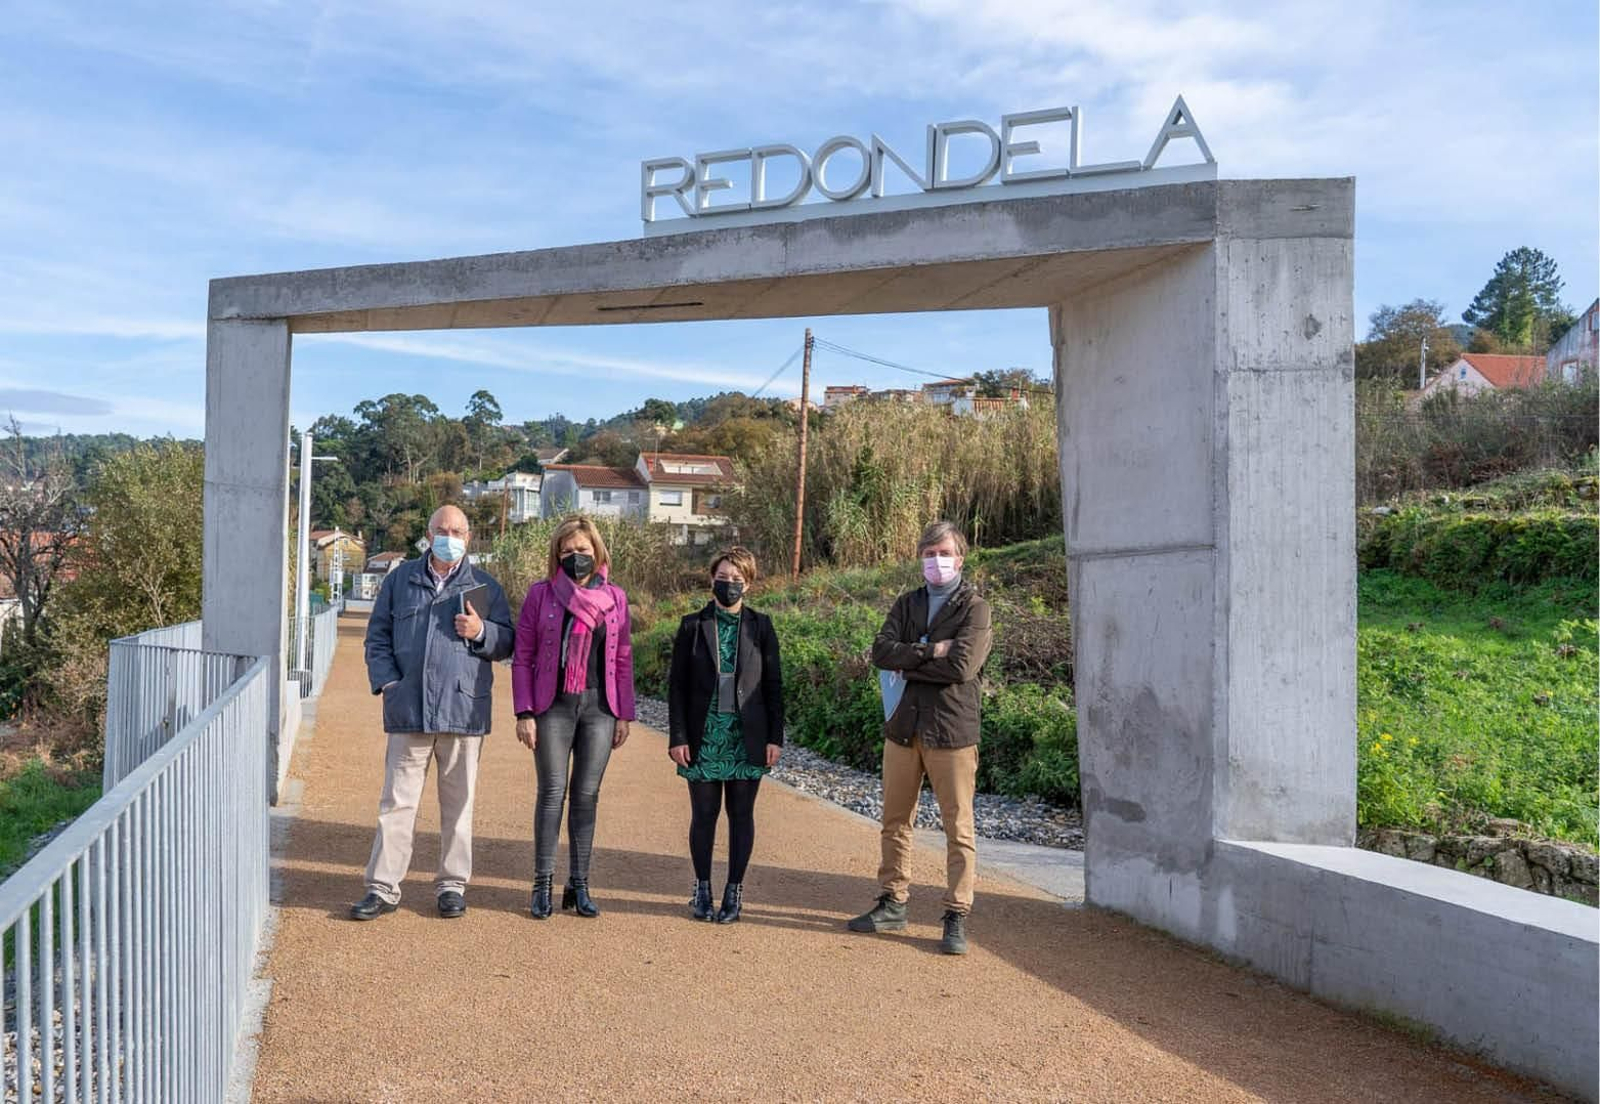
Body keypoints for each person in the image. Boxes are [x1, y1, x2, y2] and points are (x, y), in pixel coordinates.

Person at [351, 504, 514, 921]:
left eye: (457, 529)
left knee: (459, 805)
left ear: (468, 536)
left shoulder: (486, 586)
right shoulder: (400, 580)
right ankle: (383, 888)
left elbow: (508, 643)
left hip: (464, 710)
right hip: (409, 708)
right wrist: (389, 683)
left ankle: (452, 885)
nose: (449, 535)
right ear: (428, 533)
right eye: (442, 528)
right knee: (397, 803)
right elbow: (377, 638)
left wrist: (482, 633)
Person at [849, 520, 993, 955]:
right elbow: (880, 652)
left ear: (961, 557)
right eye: (929, 554)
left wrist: (908, 659)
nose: (936, 561)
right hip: (903, 728)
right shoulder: (908, 602)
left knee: (958, 827)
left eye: (944, 553)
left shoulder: (975, 608)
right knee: (895, 820)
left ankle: (956, 914)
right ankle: (893, 901)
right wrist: (933, 649)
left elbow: (961, 668)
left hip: (951, 730)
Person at [511, 516, 635, 919]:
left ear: (596, 552)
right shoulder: (540, 595)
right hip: (552, 707)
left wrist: (624, 714)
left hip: (600, 708)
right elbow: (523, 657)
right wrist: (524, 711)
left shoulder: (615, 598)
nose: (576, 558)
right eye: (567, 552)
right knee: (551, 794)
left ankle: (578, 884)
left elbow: (622, 657)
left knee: (586, 796)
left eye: (582, 551)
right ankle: (542, 882)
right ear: (557, 555)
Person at [666, 547, 784, 924]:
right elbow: (677, 687)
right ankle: (702, 888)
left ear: (748, 583)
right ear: (711, 578)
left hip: (746, 736)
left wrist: (774, 738)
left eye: (737, 579)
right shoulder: (692, 626)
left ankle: (734, 891)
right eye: (723, 576)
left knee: (741, 815)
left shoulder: (761, 626)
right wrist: (678, 736)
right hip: (704, 735)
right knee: (704, 814)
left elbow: (774, 685)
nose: (729, 584)